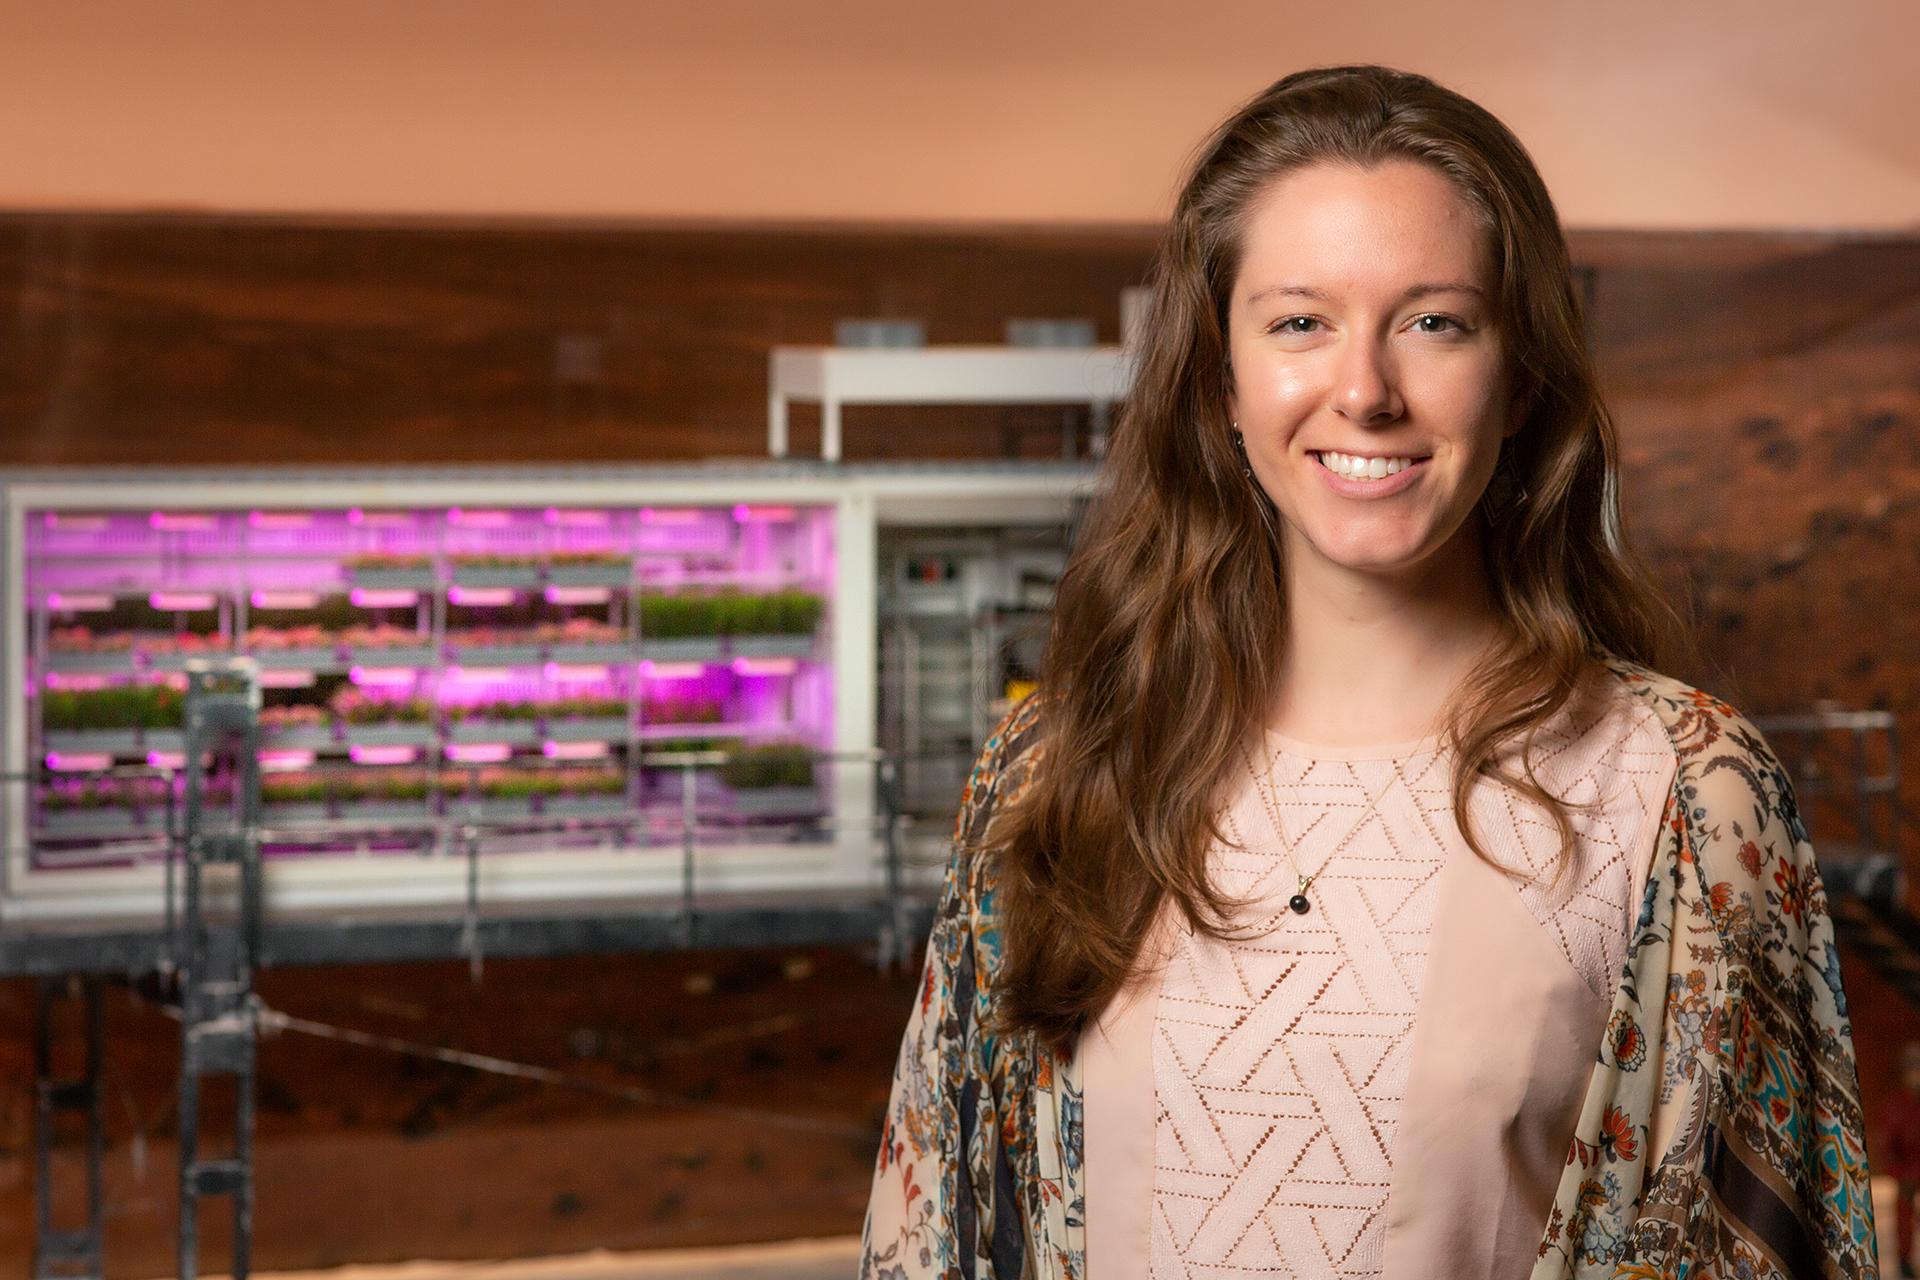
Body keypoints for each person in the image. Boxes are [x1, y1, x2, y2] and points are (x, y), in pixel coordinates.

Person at [859, 64, 1877, 1279]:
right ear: (1218, 381)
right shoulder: (1055, 776)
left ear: (1521, 377)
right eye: (1299, 321)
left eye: (1434, 320)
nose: (1364, 390)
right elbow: (934, 1232)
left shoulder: (1685, 795)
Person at [1882, 1043, 1920, 1277]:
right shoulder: (1895, 1106)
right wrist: (1898, 1172)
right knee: (1904, 1211)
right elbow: (1888, 1144)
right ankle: (1904, 1259)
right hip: (1907, 1171)